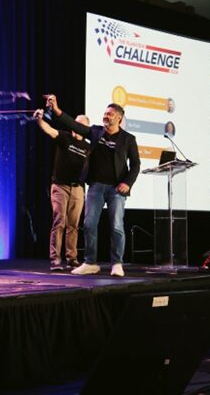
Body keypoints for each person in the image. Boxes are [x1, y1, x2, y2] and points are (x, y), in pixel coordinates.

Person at [45, 95, 140, 277]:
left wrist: (127, 183)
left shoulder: (128, 139)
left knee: (116, 226)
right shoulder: (96, 132)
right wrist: (56, 110)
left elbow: (135, 164)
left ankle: (117, 263)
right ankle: (90, 262)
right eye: (105, 113)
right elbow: (75, 126)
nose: (106, 116)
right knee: (89, 224)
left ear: (118, 118)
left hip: (116, 189)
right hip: (96, 186)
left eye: (110, 114)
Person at [35, 110, 90, 271]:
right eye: (75, 123)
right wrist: (39, 120)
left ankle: (72, 258)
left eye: (80, 125)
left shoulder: (88, 146)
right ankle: (55, 259)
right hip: (60, 186)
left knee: (73, 225)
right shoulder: (65, 137)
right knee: (60, 221)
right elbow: (48, 129)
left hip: (78, 188)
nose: (75, 126)